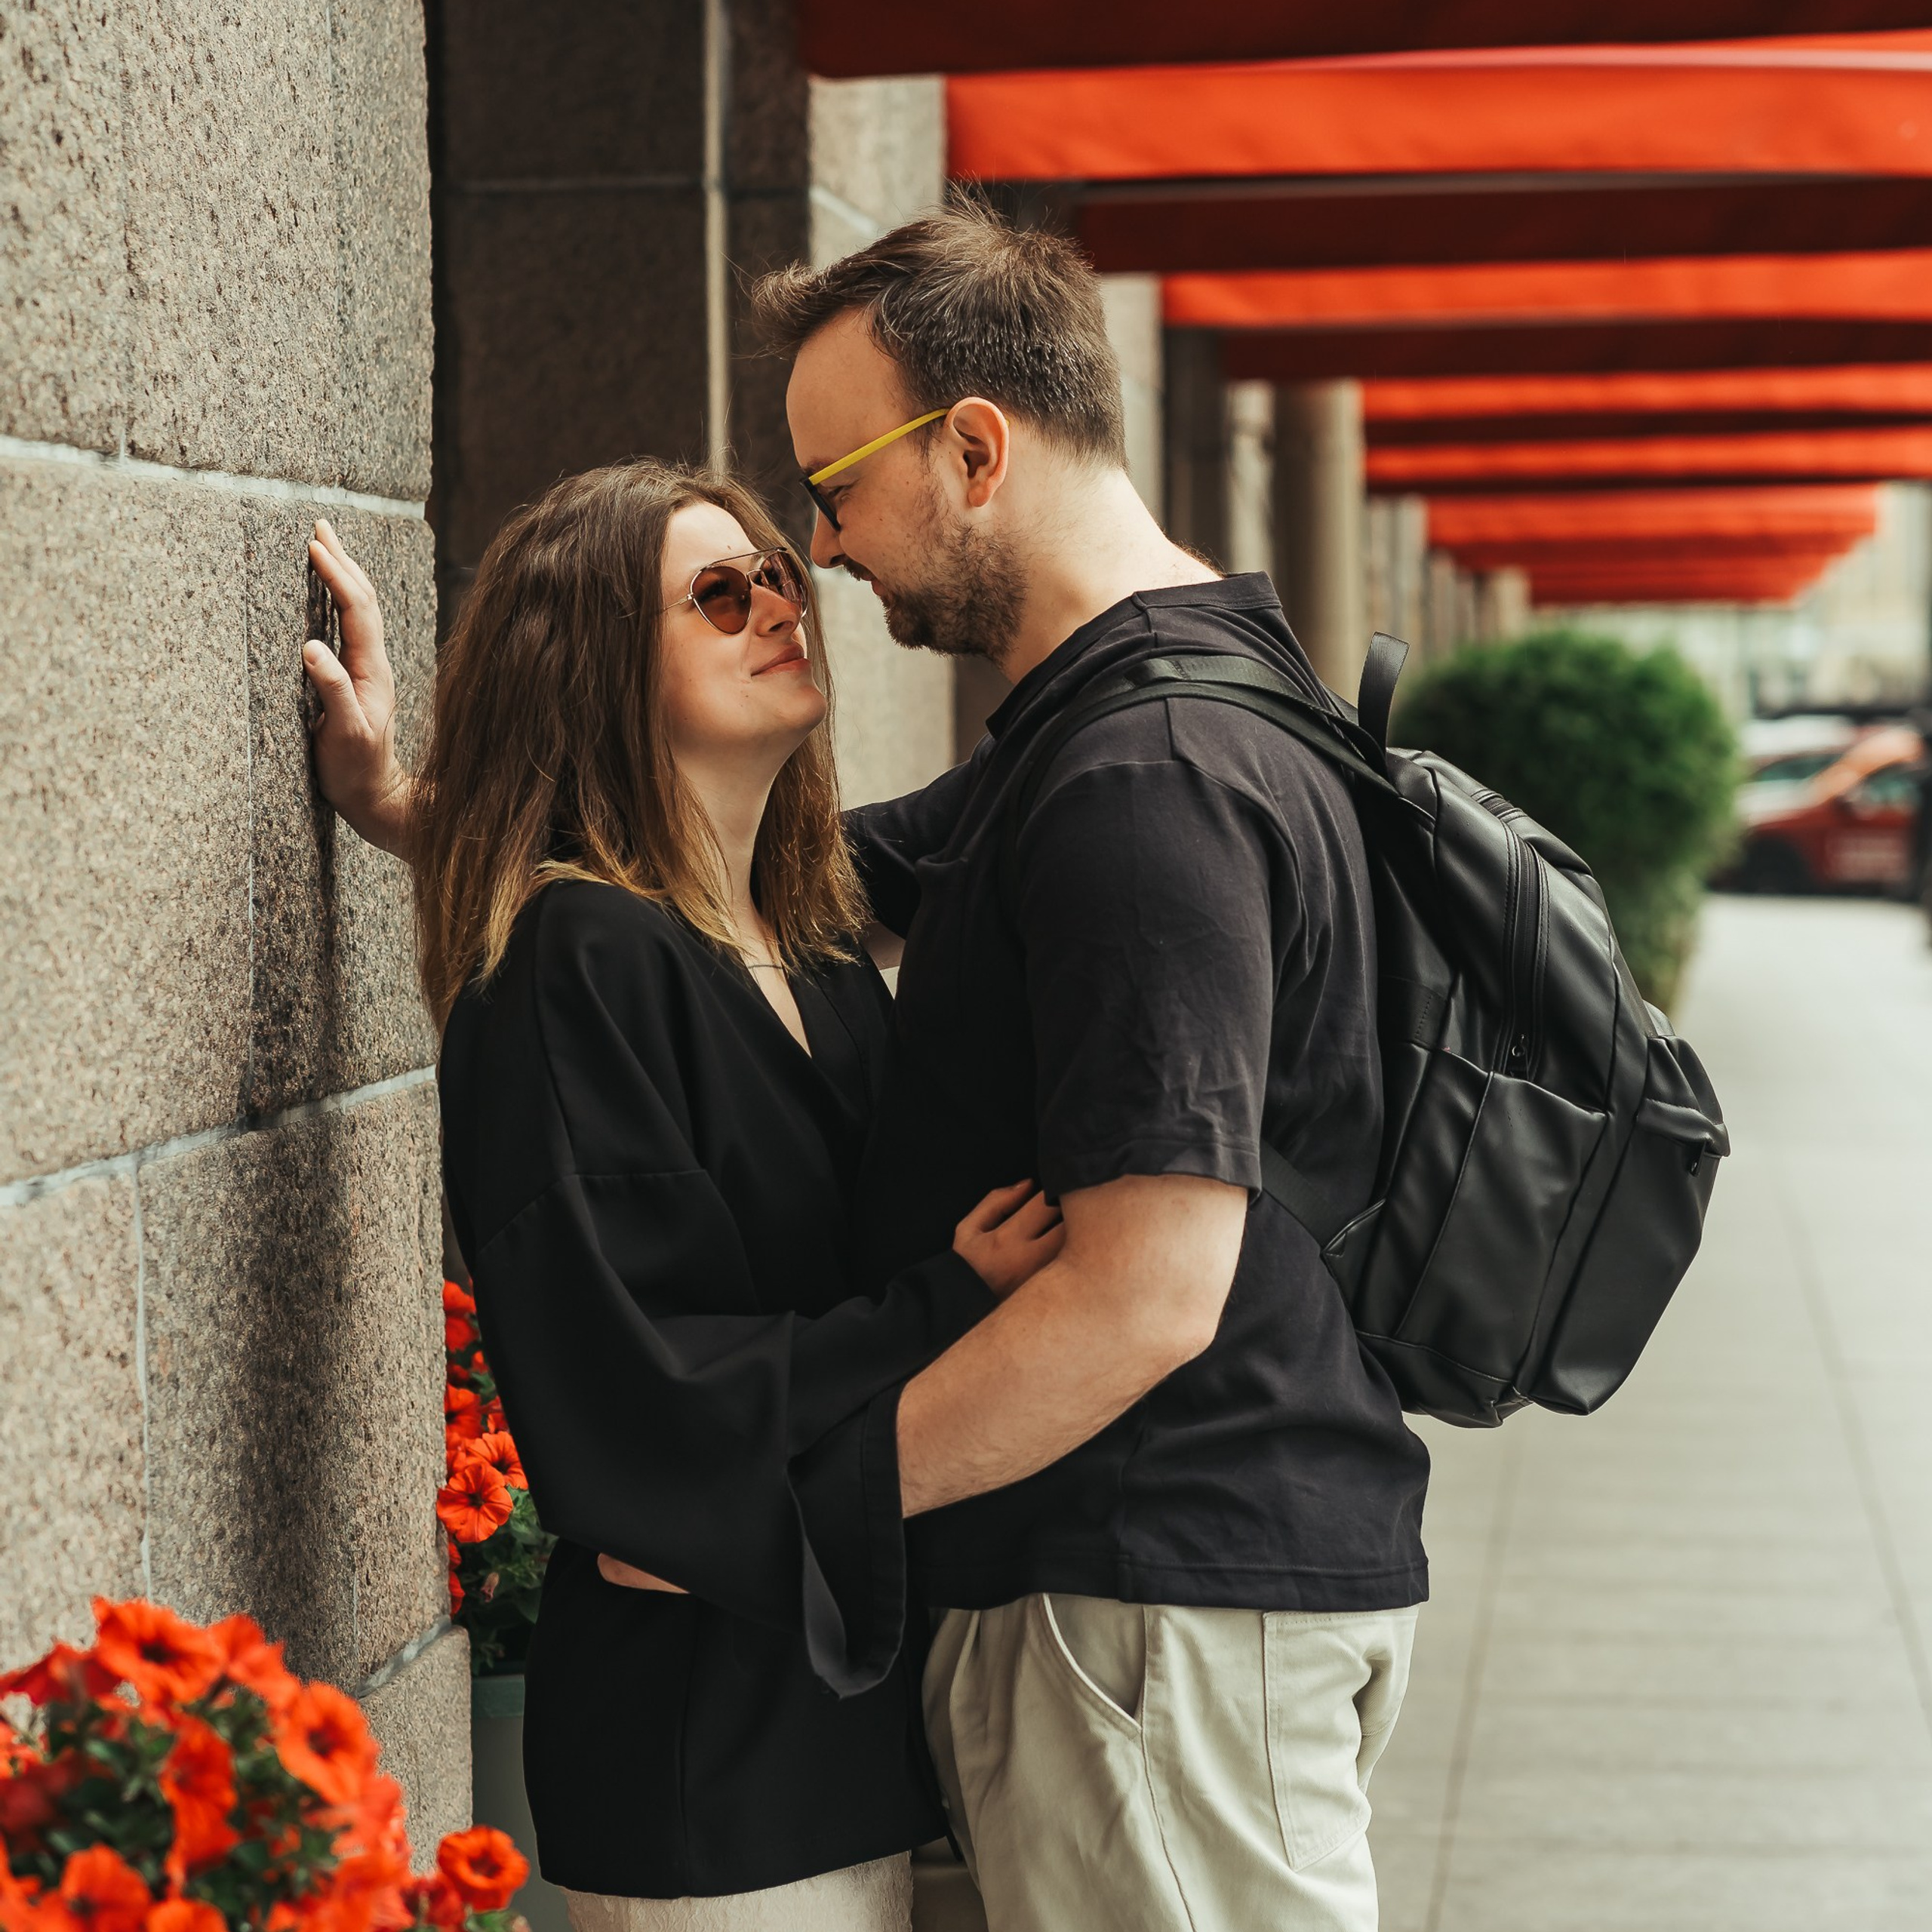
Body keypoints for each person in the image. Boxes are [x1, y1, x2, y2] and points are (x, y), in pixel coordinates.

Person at [314, 205, 1432, 1932]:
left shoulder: (1133, 776)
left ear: (972, 450)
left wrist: (783, 1501)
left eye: (822, 499)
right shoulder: (1125, 734)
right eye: (735, 573)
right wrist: (427, 810)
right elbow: (646, 878)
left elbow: (1145, 1292)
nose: (815, 563)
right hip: (860, 1699)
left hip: (1155, 1589)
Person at [302, 469, 1063, 1932]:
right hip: (697, 1750)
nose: (781, 605)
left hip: (838, 1710)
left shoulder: (812, 951)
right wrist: (944, 1303)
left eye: (777, 573)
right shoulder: (571, 964)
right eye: (720, 593)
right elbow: (639, 1384)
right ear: (591, 658)